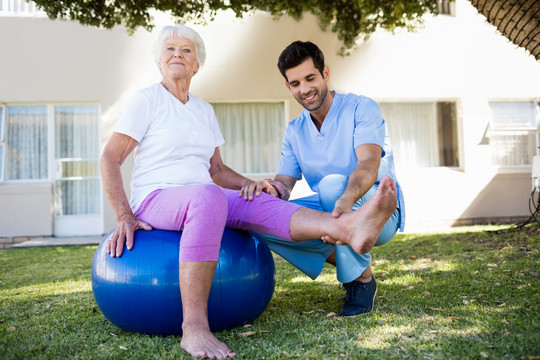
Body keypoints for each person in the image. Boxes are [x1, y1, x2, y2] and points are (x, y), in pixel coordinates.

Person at [101, 26, 398, 359]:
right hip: (157, 198)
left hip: (199, 196)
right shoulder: (147, 100)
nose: (177, 55)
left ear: (197, 64)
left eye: (186, 50)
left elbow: (216, 171)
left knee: (257, 200)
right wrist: (124, 215)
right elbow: (110, 158)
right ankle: (194, 328)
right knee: (208, 197)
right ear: (159, 60)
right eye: (169, 49)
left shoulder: (202, 110)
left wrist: (251, 185)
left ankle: (347, 227)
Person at [240, 40, 405, 317]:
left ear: (325, 73)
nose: (304, 89)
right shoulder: (294, 130)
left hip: (377, 208)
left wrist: (346, 199)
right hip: (334, 212)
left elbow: (368, 163)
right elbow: (285, 184)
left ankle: (360, 281)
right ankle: (358, 264)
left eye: (310, 78)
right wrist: (270, 189)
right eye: (295, 83)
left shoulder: (361, 108)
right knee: (260, 218)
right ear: (288, 87)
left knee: (331, 186)